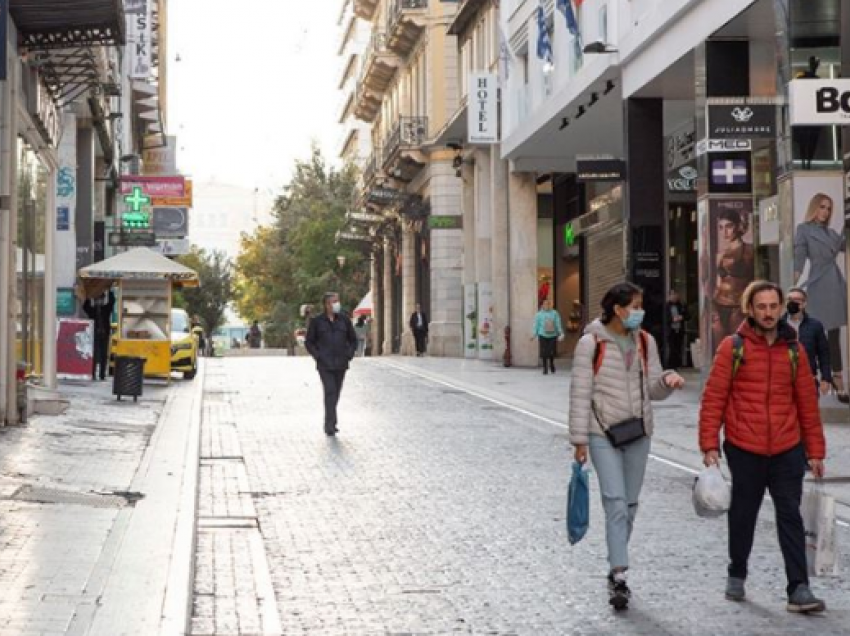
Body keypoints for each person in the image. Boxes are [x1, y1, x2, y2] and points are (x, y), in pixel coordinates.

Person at [699, 281, 827, 614]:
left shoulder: (794, 351)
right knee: (744, 513)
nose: (768, 313)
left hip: (787, 447)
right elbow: (714, 398)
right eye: (762, 307)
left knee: (790, 516)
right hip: (745, 446)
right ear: (750, 309)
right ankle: (737, 570)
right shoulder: (733, 347)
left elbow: (807, 406)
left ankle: (798, 587)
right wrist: (709, 444)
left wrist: (815, 451)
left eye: (773, 306)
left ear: (782, 307)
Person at [569, 282, 685, 610]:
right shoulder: (589, 344)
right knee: (615, 501)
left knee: (630, 504)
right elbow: (580, 394)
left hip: (638, 432)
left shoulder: (645, 342)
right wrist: (579, 440)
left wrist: (668, 382)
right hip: (601, 432)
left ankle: (614, 560)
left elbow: (654, 387)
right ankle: (619, 574)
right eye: (634, 306)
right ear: (618, 310)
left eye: (640, 306)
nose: (639, 312)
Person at [794, 193, 848, 402]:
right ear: (814, 207)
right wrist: (794, 283)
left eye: (828, 208)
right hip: (817, 283)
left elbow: (843, 246)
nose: (825, 212)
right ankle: (811, 378)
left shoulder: (832, 233)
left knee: (834, 334)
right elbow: (799, 257)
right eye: (822, 207)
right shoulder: (803, 230)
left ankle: (838, 376)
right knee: (813, 332)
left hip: (834, 282)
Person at [305, 292, 358, 436]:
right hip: (325, 364)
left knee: (336, 393)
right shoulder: (317, 321)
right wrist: (318, 356)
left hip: (341, 363)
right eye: (334, 302)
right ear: (327, 304)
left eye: (337, 301)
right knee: (330, 391)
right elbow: (309, 342)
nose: (337, 304)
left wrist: (349, 354)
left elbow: (353, 340)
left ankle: (331, 421)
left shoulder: (344, 320)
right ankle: (329, 425)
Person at [713, 208, 754, 345]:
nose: (725, 232)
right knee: (722, 349)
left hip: (738, 306)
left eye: (729, 226)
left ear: (737, 226)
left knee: (739, 347)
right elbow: (718, 283)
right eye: (721, 227)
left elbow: (756, 280)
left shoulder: (748, 251)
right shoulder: (721, 254)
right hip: (720, 305)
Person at [785, 287, 832, 397]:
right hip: (783, 381)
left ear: (804, 304)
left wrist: (826, 378)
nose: (792, 303)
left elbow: (823, 353)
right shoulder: (778, 325)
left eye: (796, 300)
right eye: (789, 299)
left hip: (808, 380)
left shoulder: (815, 326)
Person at [83, 289, 116, 381]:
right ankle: (93, 373)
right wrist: (89, 295)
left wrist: (108, 291)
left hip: (104, 332)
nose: (99, 300)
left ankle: (101, 374)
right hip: (95, 331)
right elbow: (85, 306)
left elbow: (112, 301)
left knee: (103, 354)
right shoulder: (92, 309)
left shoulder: (106, 307)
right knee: (94, 353)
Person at [531, 299, 564, 375]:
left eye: (548, 304)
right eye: (545, 304)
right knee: (544, 352)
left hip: (553, 335)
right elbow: (536, 325)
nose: (547, 306)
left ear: (550, 305)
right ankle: (545, 367)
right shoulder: (539, 315)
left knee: (551, 352)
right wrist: (533, 334)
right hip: (542, 335)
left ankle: (551, 364)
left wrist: (561, 333)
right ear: (542, 305)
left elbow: (558, 323)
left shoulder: (555, 313)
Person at [664, 289, 688, 369]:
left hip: (679, 330)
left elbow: (687, 316)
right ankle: (670, 366)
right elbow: (665, 318)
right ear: (670, 296)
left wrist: (682, 317)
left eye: (676, 295)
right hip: (671, 330)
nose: (675, 297)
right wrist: (673, 319)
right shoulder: (667, 306)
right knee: (672, 348)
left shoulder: (680, 305)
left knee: (678, 348)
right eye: (673, 295)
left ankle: (677, 364)